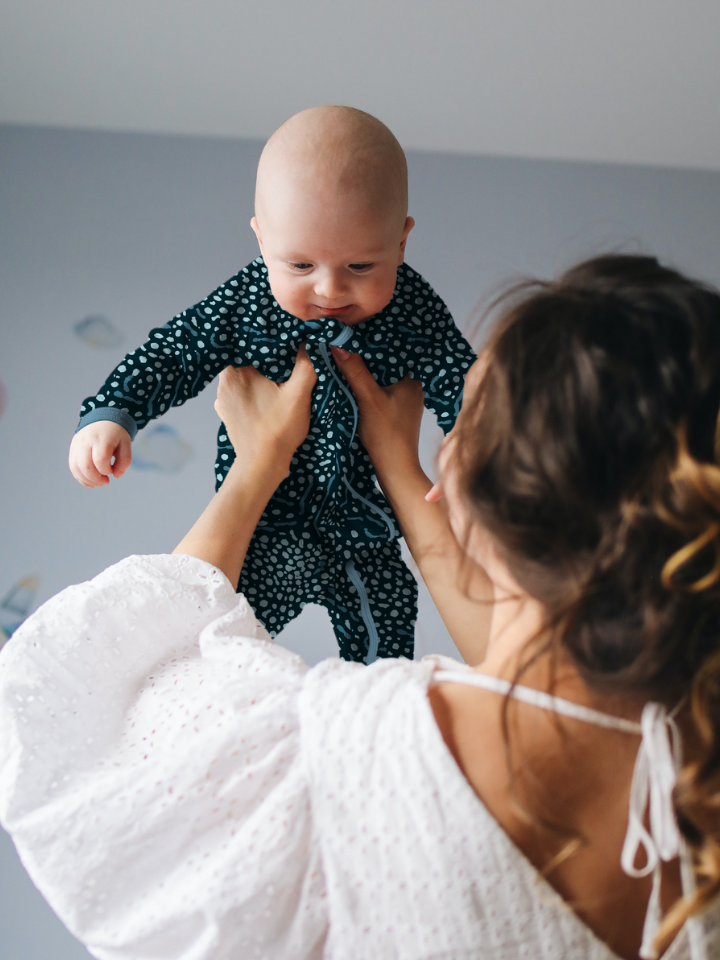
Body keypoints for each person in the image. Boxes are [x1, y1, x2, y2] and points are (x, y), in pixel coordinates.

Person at [2, 253, 720, 959]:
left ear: (479, 483)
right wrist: (400, 468)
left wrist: (257, 466)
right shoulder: (695, 792)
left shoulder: (347, 751)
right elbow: (517, 657)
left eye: (463, 419)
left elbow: (116, 676)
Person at [67, 105, 476, 662]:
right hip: (265, 524)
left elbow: (460, 373)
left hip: (361, 527)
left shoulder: (412, 306)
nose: (330, 289)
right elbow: (176, 351)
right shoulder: (248, 301)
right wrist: (113, 413)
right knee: (208, 638)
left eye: (360, 267)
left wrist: (475, 441)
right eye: (300, 265)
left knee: (388, 639)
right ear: (262, 242)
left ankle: (369, 726)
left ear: (401, 244)